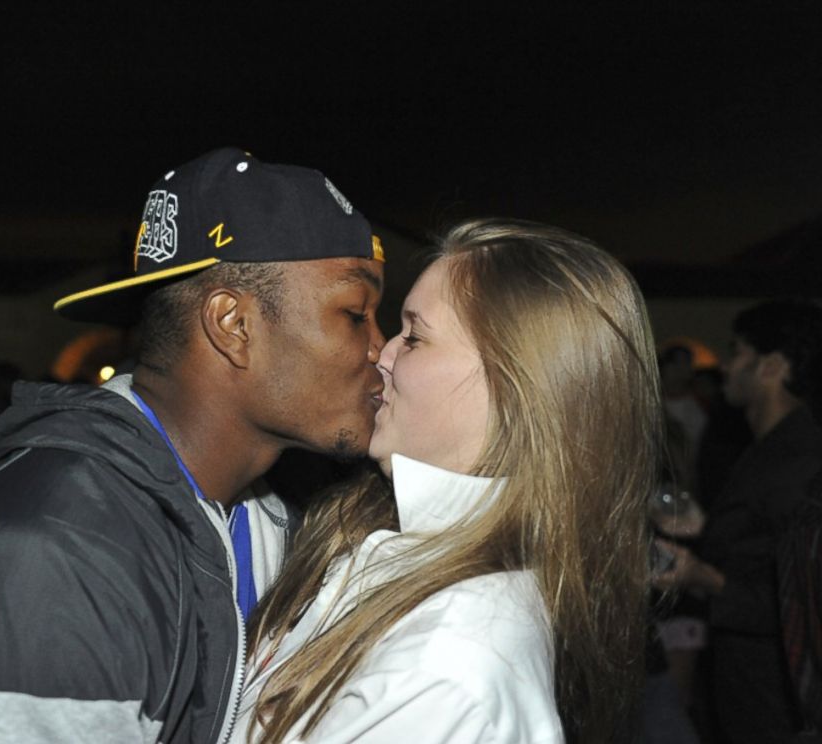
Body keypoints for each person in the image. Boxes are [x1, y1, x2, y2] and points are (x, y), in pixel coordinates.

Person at [0, 147, 386, 744]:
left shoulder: (265, 517)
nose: (383, 347)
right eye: (356, 313)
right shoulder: (40, 561)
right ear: (233, 325)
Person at [234, 219, 664, 743]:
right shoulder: (391, 545)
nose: (381, 354)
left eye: (414, 337)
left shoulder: (447, 663)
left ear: (511, 390)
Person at [655, 300, 822, 743]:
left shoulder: (800, 459)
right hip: (749, 685)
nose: (726, 366)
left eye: (738, 352)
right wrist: (705, 531)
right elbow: (764, 546)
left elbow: (801, 596)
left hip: (775, 697)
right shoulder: (768, 446)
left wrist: (704, 578)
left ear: (771, 366)